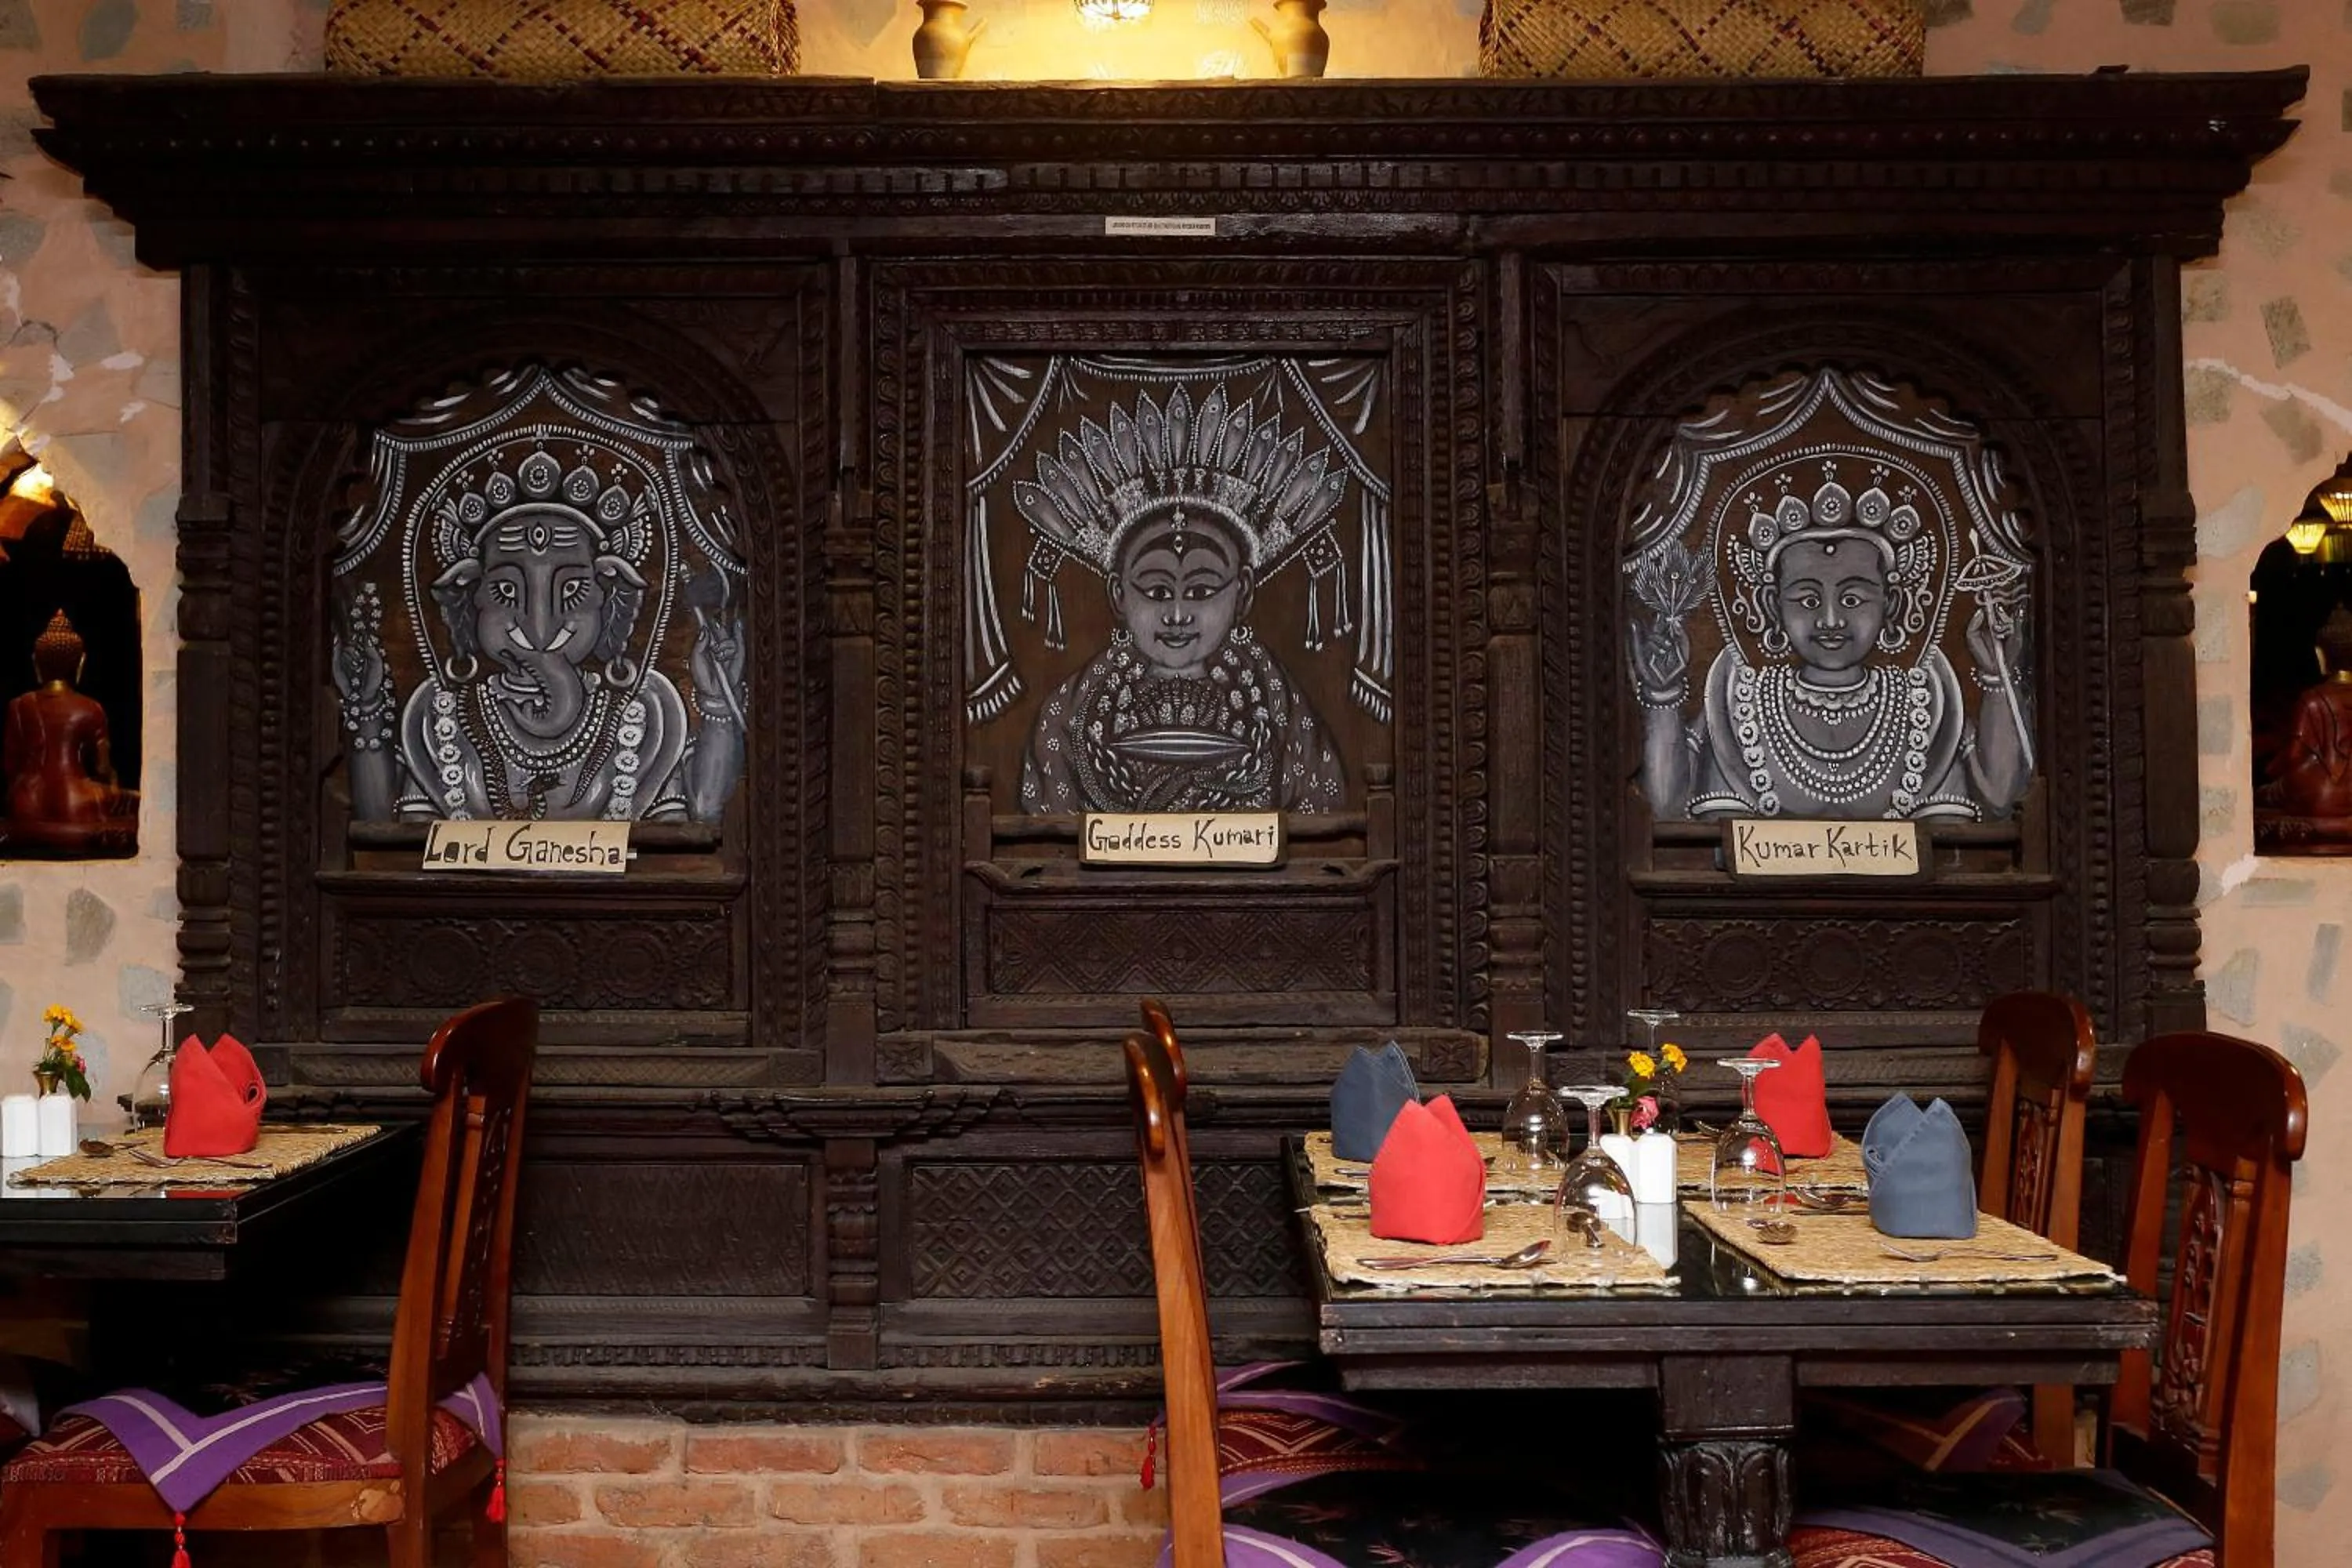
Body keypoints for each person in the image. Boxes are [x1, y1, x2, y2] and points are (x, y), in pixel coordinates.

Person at [1635, 480, 2032, 821]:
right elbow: (1666, 805)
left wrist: (1998, 673)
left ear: (1890, 604)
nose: (1830, 620)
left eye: (1854, 599)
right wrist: (1662, 695)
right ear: (1773, 605)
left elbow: (2000, 799)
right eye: (1806, 600)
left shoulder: (1925, 703)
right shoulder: (1738, 702)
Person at [1018, 506, 1344, 814]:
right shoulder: (1078, 706)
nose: (1177, 616)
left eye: (1200, 592)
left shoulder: (1270, 694)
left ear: (1242, 592)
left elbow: (1316, 807)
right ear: (1119, 594)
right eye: (1157, 593)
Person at [2, 611, 136, 853]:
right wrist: (114, 783)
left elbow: (10, 767)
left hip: (25, 804)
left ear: (36, 662)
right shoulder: (91, 708)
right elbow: (102, 770)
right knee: (132, 811)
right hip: (76, 802)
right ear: (81, 663)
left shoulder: (18, 706)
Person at [2260, 600, 2352, 832]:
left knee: (2270, 792)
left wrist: (2272, 771)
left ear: (2321, 655)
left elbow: (2294, 757)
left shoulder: (2312, 700)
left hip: (2324, 793)